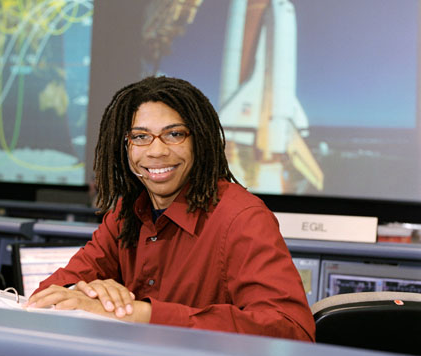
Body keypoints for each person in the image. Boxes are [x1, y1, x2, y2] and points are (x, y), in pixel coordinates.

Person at [27, 76, 315, 341]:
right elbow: (45, 296)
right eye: (140, 136)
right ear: (124, 146)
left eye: (174, 134)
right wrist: (85, 293)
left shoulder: (242, 217)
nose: (156, 151)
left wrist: (143, 314)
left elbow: (292, 331)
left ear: (199, 141)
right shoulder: (126, 211)